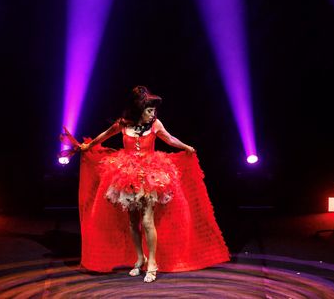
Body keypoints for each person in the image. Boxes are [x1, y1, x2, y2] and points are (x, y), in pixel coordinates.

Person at [61, 85, 229, 282]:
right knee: (133, 221)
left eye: (153, 111)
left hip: (150, 175)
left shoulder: (155, 124)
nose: (152, 114)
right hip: (126, 175)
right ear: (139, 110)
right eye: (149, 110)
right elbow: (104, 135)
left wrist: (186, 147)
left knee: (147, 220)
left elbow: (169, 138)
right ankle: (140, 259)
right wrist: (88, 146)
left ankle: (153, 263)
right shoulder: (123, 124)